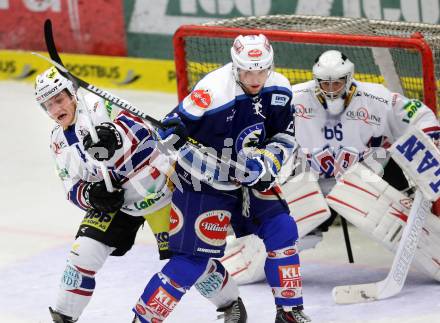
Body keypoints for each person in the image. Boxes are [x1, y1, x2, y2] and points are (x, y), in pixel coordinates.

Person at [34, 67, 246, 323]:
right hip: (118, 202)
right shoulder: (57, 140)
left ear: (72, 95)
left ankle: (231, 304)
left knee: (188, 261)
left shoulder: (99, 105)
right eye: (48, 105)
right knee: (82, 254)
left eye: (59, 99)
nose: (56, 109)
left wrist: (112, 137)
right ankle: (63, 317)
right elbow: (70, 186)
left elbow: (144, 131)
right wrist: (91, 194)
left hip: (157, 190)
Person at [132, 34, 311, 323]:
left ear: (271, 65)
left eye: (261, 70)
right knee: (190, 262)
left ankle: (289, 311)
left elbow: (284, 137)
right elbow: (165, 135)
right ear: (235, 66)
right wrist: (171, 136)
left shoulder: (279, 89)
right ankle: (143, 319)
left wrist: (266, 164)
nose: (255, 78)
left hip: (250, 179)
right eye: (247, 71)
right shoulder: (212, 91)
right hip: (203, 182)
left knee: (282, 229)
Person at [221, 49, 440, 284]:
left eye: (338, 83)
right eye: (325, 83)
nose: (332, 89)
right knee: (293, 221)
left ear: (350, 79)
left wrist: (431, 140)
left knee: (394, 217)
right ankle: (250, 256)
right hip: (310, 184)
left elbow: (419, 115)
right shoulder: (294, 98)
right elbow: (254, 121)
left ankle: (428, 246)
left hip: (368, 179)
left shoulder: (378, 99)